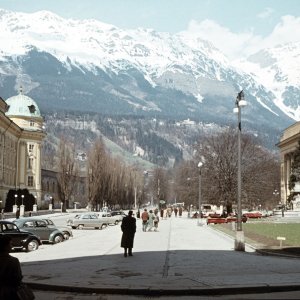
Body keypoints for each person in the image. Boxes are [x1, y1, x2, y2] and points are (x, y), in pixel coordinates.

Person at [0, 235, 23, 300]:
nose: (11, 246)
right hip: (9, 293)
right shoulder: (13, 261)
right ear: (5, 247)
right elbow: (18, 278)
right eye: (10, 244)